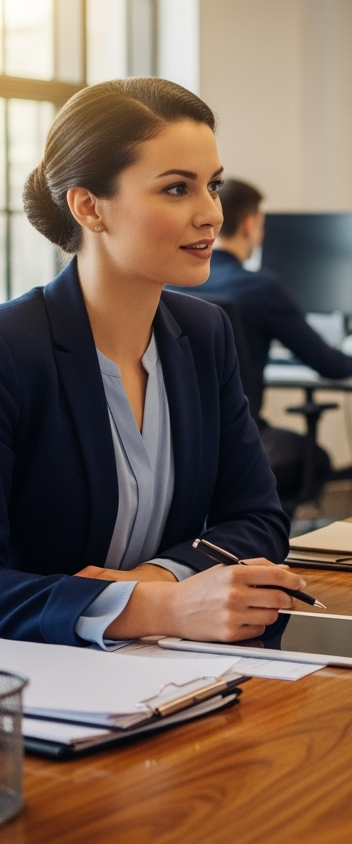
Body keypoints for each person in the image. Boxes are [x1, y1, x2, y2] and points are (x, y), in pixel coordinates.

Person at [0, 78, 305, 646]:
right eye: (176, 189)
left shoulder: (205, 331)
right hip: (40, 685)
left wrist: (155, 583)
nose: (210, 213)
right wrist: (154, 610)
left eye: (212, 186)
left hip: (169, 671)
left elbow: (258, 519)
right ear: (90, 207)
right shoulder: (12, 349)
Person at [183, 179, 352, 503]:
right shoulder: (260, 288)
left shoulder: (176, 282)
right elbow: (329, 365)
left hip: (183, 443)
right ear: (250, 224)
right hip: (238, 439)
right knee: (316, 459)